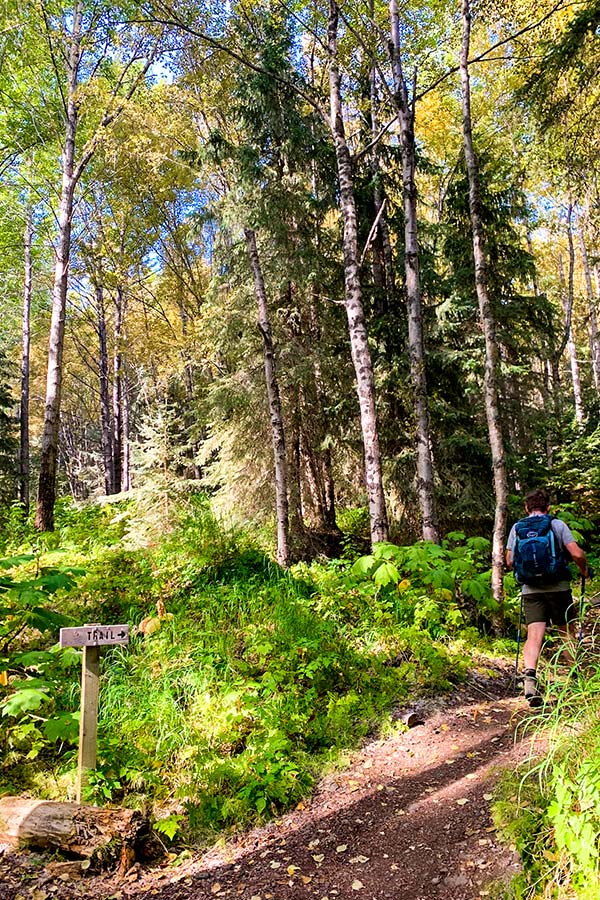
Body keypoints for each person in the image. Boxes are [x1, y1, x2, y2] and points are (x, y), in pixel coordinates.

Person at [506, 488, 591, 706]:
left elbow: (509, 560)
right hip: (559, 588)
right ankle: (576, 680)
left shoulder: (518, 528)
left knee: (534, 635)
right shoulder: (556, 524)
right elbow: (577, 553)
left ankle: (530, 681)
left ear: (526, 508)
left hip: (531, 590)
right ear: (548, 507)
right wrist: (583, 569)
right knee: (566, 633)